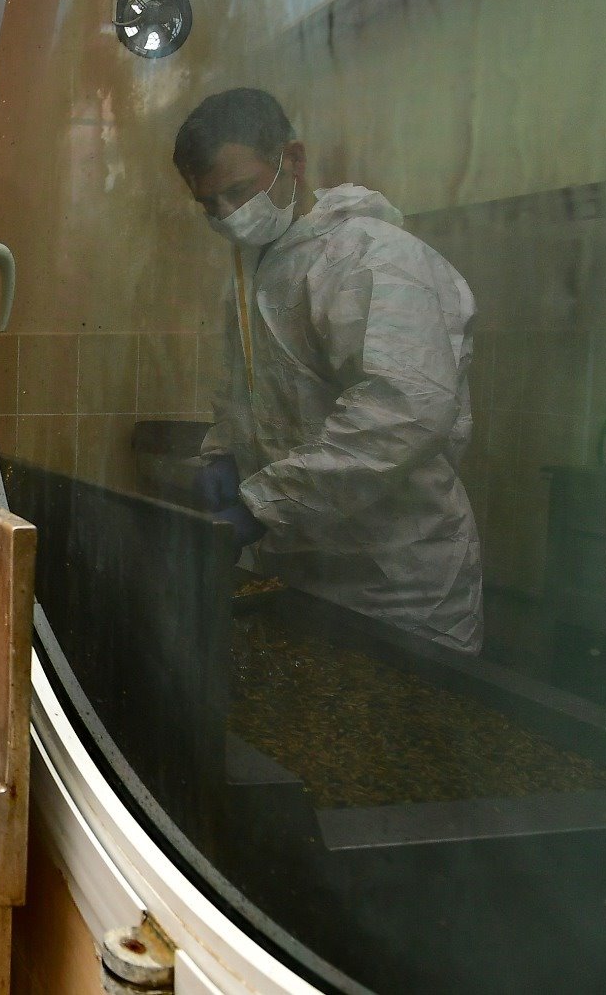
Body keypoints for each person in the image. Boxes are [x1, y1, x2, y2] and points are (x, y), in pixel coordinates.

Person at [174, 88, 483, 654]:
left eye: (238, 192)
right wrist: (223, 453)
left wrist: (264, 501)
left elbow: (403, 415)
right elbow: (250, 397)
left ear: (292, 159)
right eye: (209, 204)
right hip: (302, 567)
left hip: (397, 582)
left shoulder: (376, 258)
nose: (226, 216)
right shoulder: (252, 275)